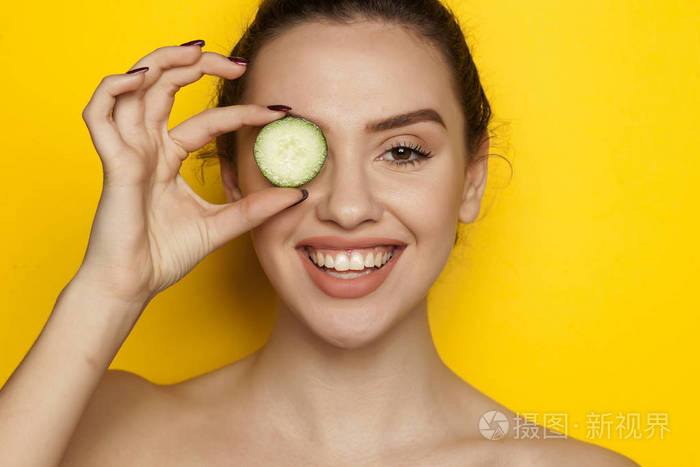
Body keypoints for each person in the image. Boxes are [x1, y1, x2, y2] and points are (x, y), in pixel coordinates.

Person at [0, 0, 639, 465]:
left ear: (471, 180)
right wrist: (109, 288)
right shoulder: (95, 428)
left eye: (404, 151)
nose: (348, 207)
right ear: (233, 177)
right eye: (300, 149)